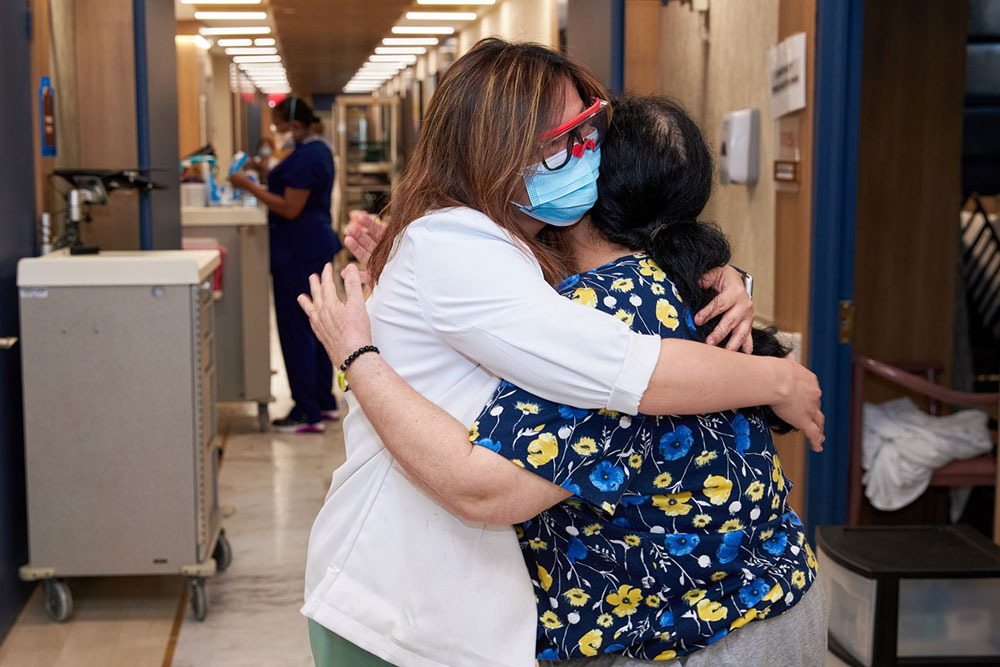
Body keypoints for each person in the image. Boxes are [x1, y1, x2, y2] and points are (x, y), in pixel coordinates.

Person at [296, 39, 822, 667]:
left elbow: (495, 478)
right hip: (403, 607)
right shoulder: (634, 285)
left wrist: (360, 355)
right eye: (563, 140)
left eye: (587, 137)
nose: (578, 155)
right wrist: (773, 374)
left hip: (712, 633)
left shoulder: (602, 301)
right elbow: (609, 366)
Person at [230, 96, 342, 433]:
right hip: (313, 246)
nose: (275, 129)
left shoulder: (307, 155)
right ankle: (323, 401)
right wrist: (266, 172)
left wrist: (247, 185)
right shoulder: (315, 149)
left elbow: (291, 207)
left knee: (297, 331)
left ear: (293, 122)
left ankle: (305, 412)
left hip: (297, 252)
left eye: (278, 122)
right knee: (316, 326)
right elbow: (294, 187)